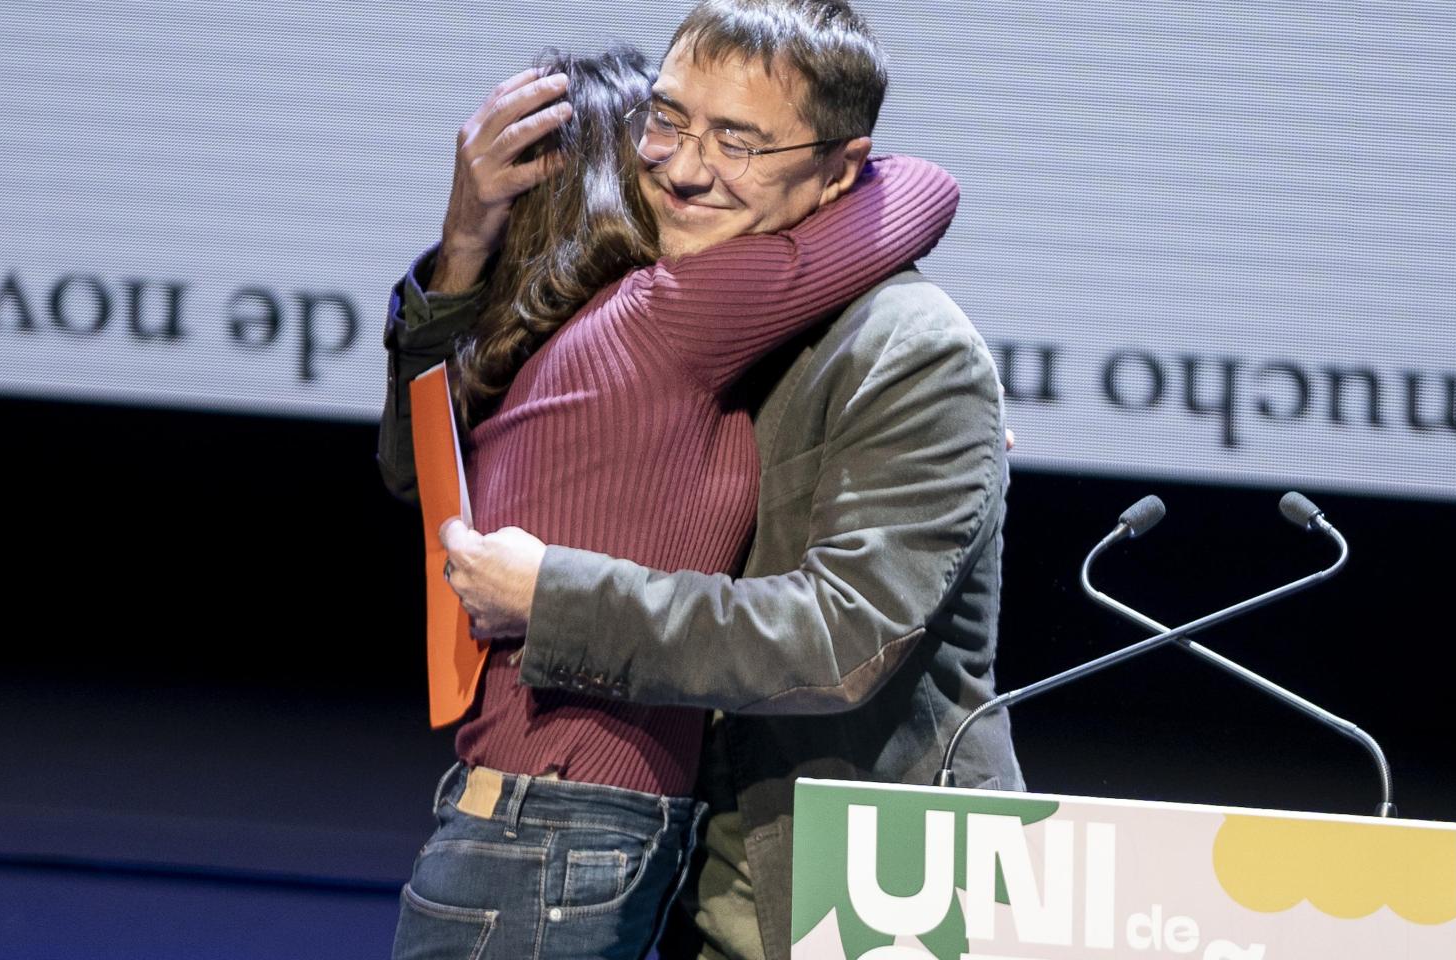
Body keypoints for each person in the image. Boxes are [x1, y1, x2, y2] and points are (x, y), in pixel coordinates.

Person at [408, 3, 1028, 959]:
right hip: (707, 880)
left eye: (738, 141)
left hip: (876, 893)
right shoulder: (671, 301)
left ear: (842, 170)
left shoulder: (912, 348)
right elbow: (431, 474)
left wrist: (555, 597)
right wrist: (460, 256)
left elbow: (842, 636)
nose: (685, 167)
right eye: (668, 119)